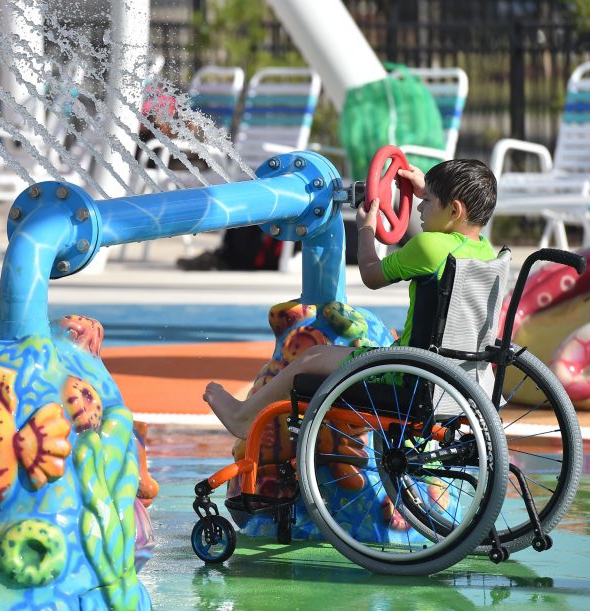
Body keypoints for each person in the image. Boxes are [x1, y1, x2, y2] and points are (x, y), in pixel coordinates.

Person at [204, 158, 499, 438]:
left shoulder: (429, 246)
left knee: (312, 358)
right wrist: (431, 190)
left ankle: (243, 418)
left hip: (410, 375)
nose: (419, 208)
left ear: (455, 210)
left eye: (428, 201)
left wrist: (366, 229)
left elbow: (371, 275)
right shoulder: (485, 252)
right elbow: (448, 218)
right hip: (457, 381)